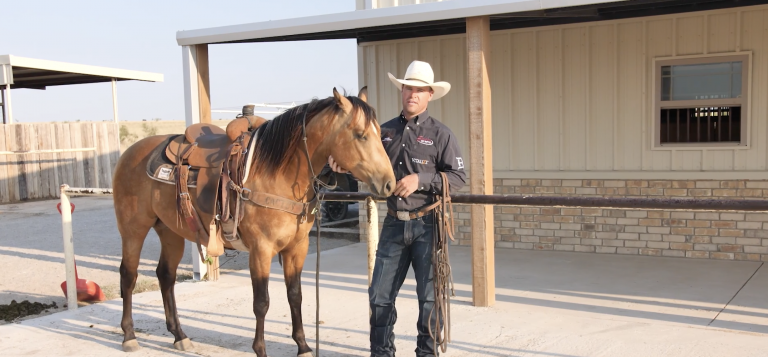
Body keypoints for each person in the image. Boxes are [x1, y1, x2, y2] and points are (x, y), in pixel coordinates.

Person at [330, 60, 466, 357]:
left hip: (428, 225)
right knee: (379, 296)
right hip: (393, 224)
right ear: (401, 91)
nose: (412, 94)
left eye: (419, 90)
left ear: (430, 94)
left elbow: (458, 177)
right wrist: (343, 167)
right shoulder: (384, 131)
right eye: (407, 88)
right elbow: (368, 167)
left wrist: (422, 179)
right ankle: (381, 353)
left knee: (430, 299)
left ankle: (426, 353)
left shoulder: (442, 135)